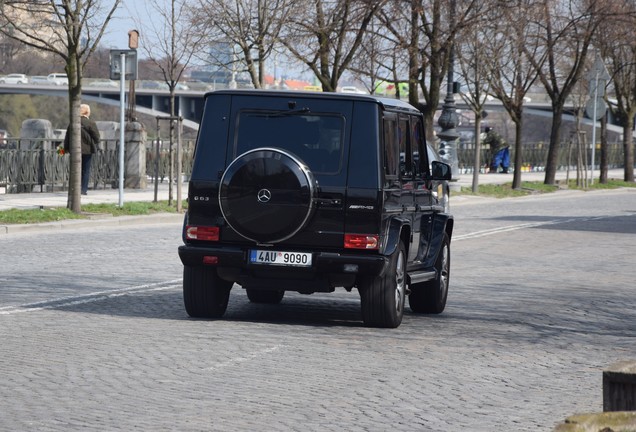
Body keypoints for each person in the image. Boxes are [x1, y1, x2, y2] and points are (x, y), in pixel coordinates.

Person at [64, 103, 100, 195]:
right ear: (87, 112)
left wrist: (66, 148)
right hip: (87, 150)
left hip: (74, 150)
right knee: (85, 170)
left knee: (75, 170)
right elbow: (97, 137)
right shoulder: (90, 123)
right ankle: (83, 190)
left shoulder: (72, 123)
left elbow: (67, 137)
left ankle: (74, 189)